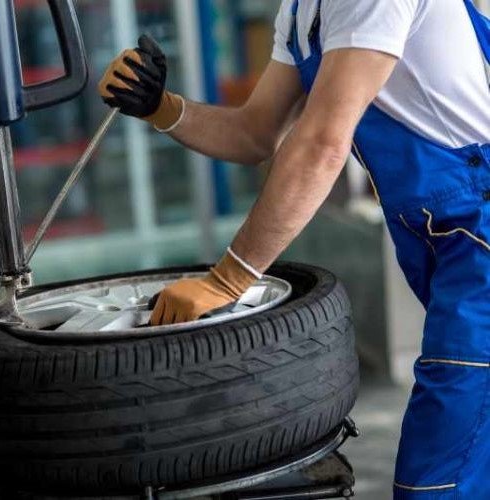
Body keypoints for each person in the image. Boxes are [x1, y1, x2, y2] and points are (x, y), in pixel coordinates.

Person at [98, 0, 490, 498]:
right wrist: (161, 107)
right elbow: (254, 134)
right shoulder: (302, 12)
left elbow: (323, 141)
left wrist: (228, 279)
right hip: (449, 239)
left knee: (437, 479)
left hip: (478, 234)